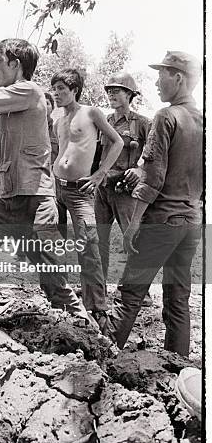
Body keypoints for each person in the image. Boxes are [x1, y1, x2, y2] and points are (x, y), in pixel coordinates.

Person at [0, 39, 91, 322]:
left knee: (55, 286)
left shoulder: (29, 90)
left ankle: (91, 337)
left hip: (36, 206)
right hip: (9, 203)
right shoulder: (15, 103)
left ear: (15, 64)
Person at [104, 51, 203, 357]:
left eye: (162, 74)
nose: (156, 81)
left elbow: (153, 178)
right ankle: (178, 366)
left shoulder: (165, 117)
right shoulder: (202, 120)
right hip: (191, 223)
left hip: (161, 221)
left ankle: (101, 358)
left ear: (179, 78)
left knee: (130, 294)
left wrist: (133, 224)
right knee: (177, 298)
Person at [51, 68, 123, 326]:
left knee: (89, 245)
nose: (57, 93)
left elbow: (117, 142)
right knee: (52, 244)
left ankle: (97, 307)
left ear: (74, 90)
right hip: (57, 188)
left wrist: (100, 174)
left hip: (80, 191)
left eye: (62, 89)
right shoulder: (58, 120)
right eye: (55, 88)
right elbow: (58, 153)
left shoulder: (90, 113)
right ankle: (59, 301)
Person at [93, 72, 153, 305]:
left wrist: (139, 171)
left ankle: (137, 292)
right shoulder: (104, 121)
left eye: (116, 91)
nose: (111, 95)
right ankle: (99, 291)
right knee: (99, 241)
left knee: (132, 241)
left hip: (126, 192)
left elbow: (153, 155)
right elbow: (96, 154)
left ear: (129, 94)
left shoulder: (143, 123)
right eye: (109, 91)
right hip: (103, 189)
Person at [44, 91, 59, 167]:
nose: (44, 106)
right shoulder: (30, 130)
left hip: (52, 173)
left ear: (52, 108)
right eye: (41, 103)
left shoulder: (57, 130)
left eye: (47, 103)